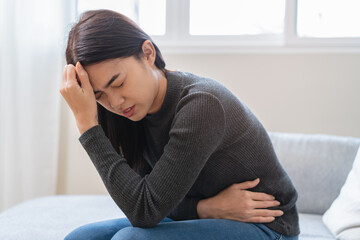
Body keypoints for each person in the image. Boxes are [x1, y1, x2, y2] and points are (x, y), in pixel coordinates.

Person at [60, 9, 300, 240]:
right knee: (80, 237)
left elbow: (144, 211)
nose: (115, 102)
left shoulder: (202, 104)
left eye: (119, 83)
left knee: (130, 239)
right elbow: (145, 200)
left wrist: (88, 127)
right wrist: (204, 209)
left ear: (148, 53)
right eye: (99, 96)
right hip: (207, 218)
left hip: (268, 228)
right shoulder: (132, 113)